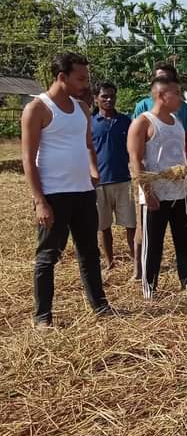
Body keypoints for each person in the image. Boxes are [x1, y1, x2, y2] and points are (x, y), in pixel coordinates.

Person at [20, 52, 111, 328]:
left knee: (89, 253)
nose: (86, 84)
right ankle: (42, 317)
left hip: (83, 193)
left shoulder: (82, 109)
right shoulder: (38, 109)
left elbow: (87, 145)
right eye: (80, 78)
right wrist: (40, 201)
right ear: (62, 77)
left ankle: (100, 307)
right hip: (53, 195)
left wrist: (93, 170)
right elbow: (28, 157)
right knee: (48, 257)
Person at [127, 76, 187, 299]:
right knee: (153, 245)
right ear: (161, 95)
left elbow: (181, 159)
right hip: (156, 196)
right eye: (176, 93)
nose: (180, 97)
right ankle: (149, 289)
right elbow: (136, 161)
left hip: (181, 193)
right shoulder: (142, 122)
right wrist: (148, 192)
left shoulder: (177, 122)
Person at [92, 81, 136, 270]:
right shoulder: (90, 123)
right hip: (99, 182)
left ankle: (136, 261)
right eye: (104, 96)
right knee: (103, 226)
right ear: (96, 99)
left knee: (131, 225)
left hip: (123, 180)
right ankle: (110, 262)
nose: (109, 99)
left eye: (112, 96)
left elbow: (134, 149)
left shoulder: (126, 121)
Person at [133, 62, 187, 160]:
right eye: (159, 79)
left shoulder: (184, 108)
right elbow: (135, 141)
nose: (164, 82)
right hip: (150, 171)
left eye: (168, 79)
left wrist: (182, 163)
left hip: (177, 170)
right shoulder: (143, 106)